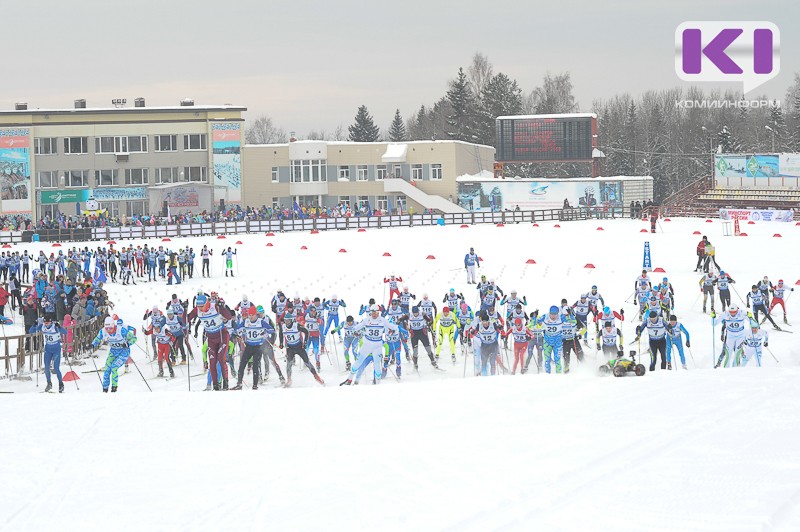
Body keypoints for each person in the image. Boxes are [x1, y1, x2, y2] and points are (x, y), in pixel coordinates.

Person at [186, 294, 234, 390]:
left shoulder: (214, 306)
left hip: (222, 336)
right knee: (212, 362)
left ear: (207, 303)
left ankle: (225, 382)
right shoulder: (197, 310)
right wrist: (184, 309)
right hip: (211, 339)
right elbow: (186, 319)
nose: (200, 308)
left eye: (202, 306)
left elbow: (229, 317)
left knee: (221, 358)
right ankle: (215, 385)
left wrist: (221, 307)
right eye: (198, 306)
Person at [232, 306, 276, 390]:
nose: (251, 317)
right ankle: (239, 384)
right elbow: (237, 329)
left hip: (258, 347)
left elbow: (272, 330)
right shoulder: (246, 321)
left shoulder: (261, 322)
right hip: (249, 346)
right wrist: (236, 333)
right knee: (242, 365)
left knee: (256, 366)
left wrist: (265, 331)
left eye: (252, 315)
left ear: (256, 315)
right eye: (249, 315)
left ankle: (255, 385)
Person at [92, 316, 138, 392]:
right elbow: (97, 338)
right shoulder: (103, 331)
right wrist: (92, 344)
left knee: (114, 367)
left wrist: (127, 343)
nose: (109, 330)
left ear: (114, 326)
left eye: (110, 328)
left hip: (123, 352)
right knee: (107, 369)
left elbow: (134, 338)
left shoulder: (121, 330)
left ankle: (114, 388)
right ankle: (105, 389)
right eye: (107, 328)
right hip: (113, 351)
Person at [29, 316, 68, 393]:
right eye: (45, 323)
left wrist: (59, 327)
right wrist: (34, 325)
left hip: (56, 349)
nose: (46, 324)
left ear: (51, 322)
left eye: (48, 323)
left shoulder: (55, 326)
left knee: (56, 368)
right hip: (48, 350)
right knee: (46, 368)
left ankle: (61, 384)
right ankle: (49, 383)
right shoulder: (42, 326)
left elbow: (65, 332)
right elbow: (31, 331)